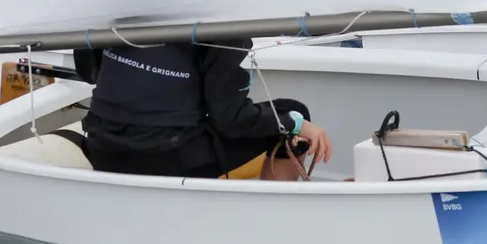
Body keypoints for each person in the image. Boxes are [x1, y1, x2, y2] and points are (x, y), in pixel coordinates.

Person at [75, 42, 333, 179]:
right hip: (165, 160)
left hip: (103, 149)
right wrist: (295, 123)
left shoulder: (121, 6)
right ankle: (274, 217)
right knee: (293, 112)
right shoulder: (219, 23)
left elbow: (88, 72)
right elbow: (231, 121)